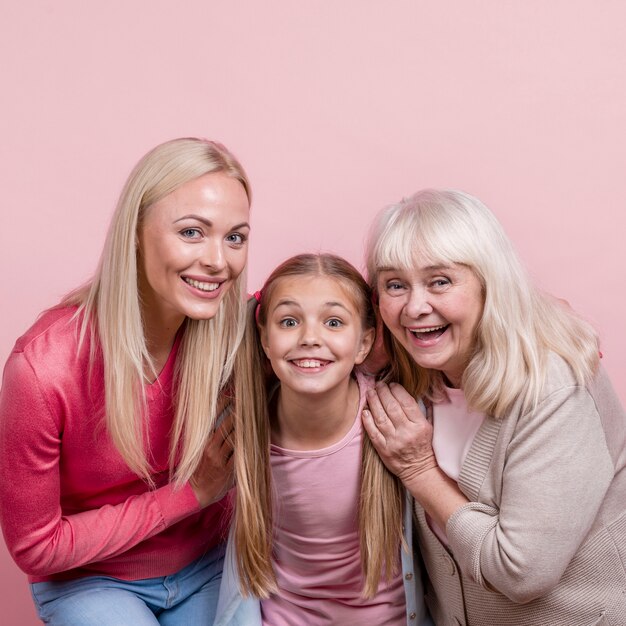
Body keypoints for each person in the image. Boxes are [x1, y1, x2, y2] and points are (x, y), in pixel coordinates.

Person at [0, 137, 252, 625]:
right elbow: (35, 547)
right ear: (136, 232)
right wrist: (192, 494)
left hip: (209, 565)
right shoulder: (43, 369)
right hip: (91, 580)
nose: (219, 262)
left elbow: (337, 323)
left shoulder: (235, 333)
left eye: (235, 237)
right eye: (192, 232)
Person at [362, 188, 626, 625]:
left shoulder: (552, 389)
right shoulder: (415, 370)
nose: (414, 306)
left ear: (490, 282)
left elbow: (520, 571)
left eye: (440, 281)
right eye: (394, 285)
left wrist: (418, 472)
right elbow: (303, 311)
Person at [215, 253, 431, 626]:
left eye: (333, 322)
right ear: (264, 337)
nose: (310, 338)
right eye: (289, 321)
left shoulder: (396, 420)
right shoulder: (242, 430)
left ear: (364, 343)